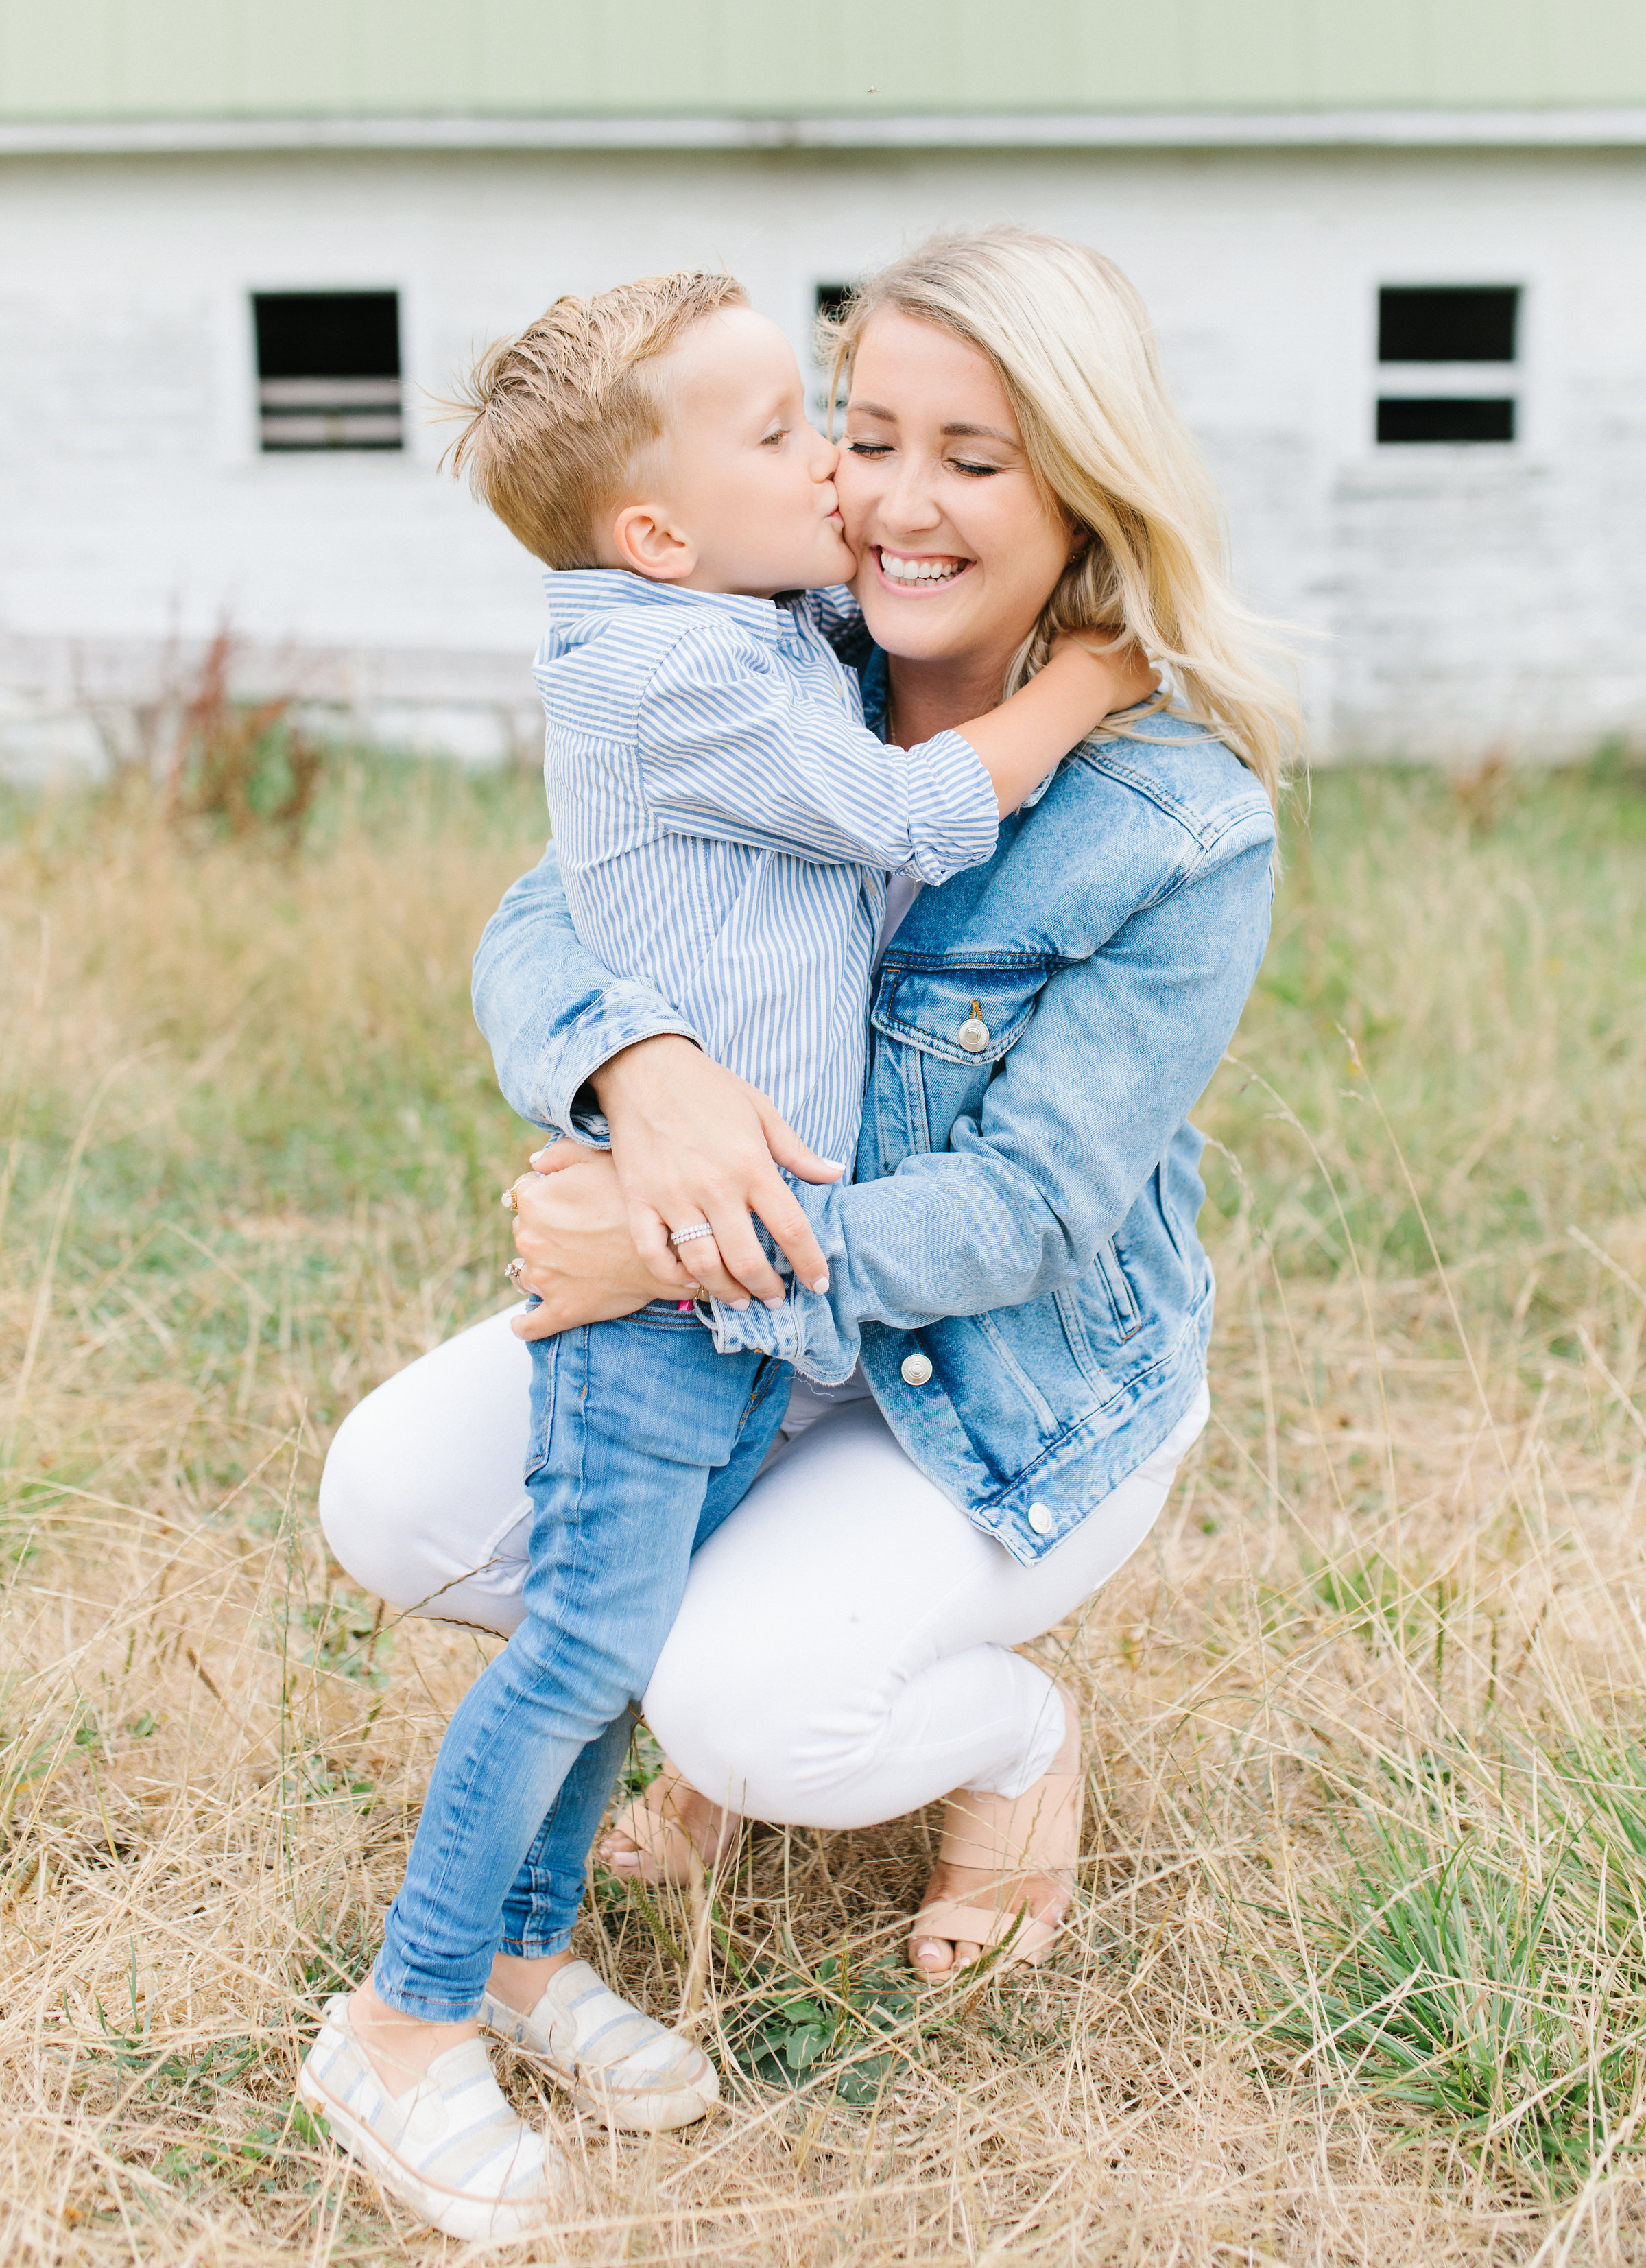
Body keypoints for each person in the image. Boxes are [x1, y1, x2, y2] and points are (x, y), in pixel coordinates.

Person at [320, 222, 1290, 2138]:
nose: (888, 500)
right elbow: (542, 922)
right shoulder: (770, 645)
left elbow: (1024, 1215)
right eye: (860, 432)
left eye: (972, 458)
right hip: (744, 1324)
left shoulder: (1180, 823)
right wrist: (644, 1069)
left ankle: (1011, 1745)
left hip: (990, 1378)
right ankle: (541, 1904)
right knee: (395, 1501)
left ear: (1085, 485)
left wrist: (674, 1247)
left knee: (748, 1711)